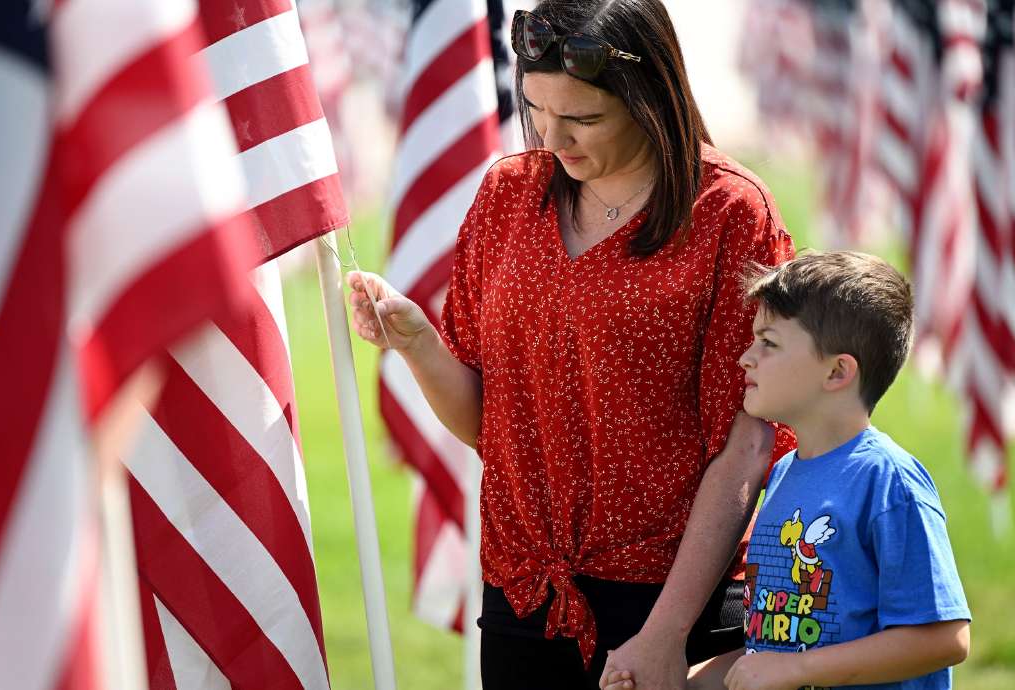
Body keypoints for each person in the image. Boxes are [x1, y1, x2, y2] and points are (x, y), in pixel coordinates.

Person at [347, 1, 795, 687]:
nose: (555, 139)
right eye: (538, 112)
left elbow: (746, 442)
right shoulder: (506, 194)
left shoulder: (730, 212)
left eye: (583, 119)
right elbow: (486, 425)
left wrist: (665, 636)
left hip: (670, 599)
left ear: (650, 98)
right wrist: (417, 344)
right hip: (525, 595)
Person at [603, 252, 972, 690]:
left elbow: (944, 638)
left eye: (769, 343)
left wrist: (795, 670)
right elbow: (777, 646)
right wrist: (677, 682)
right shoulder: (782, 477)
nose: (746, 357)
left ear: (837, 371)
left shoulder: (887, 481)